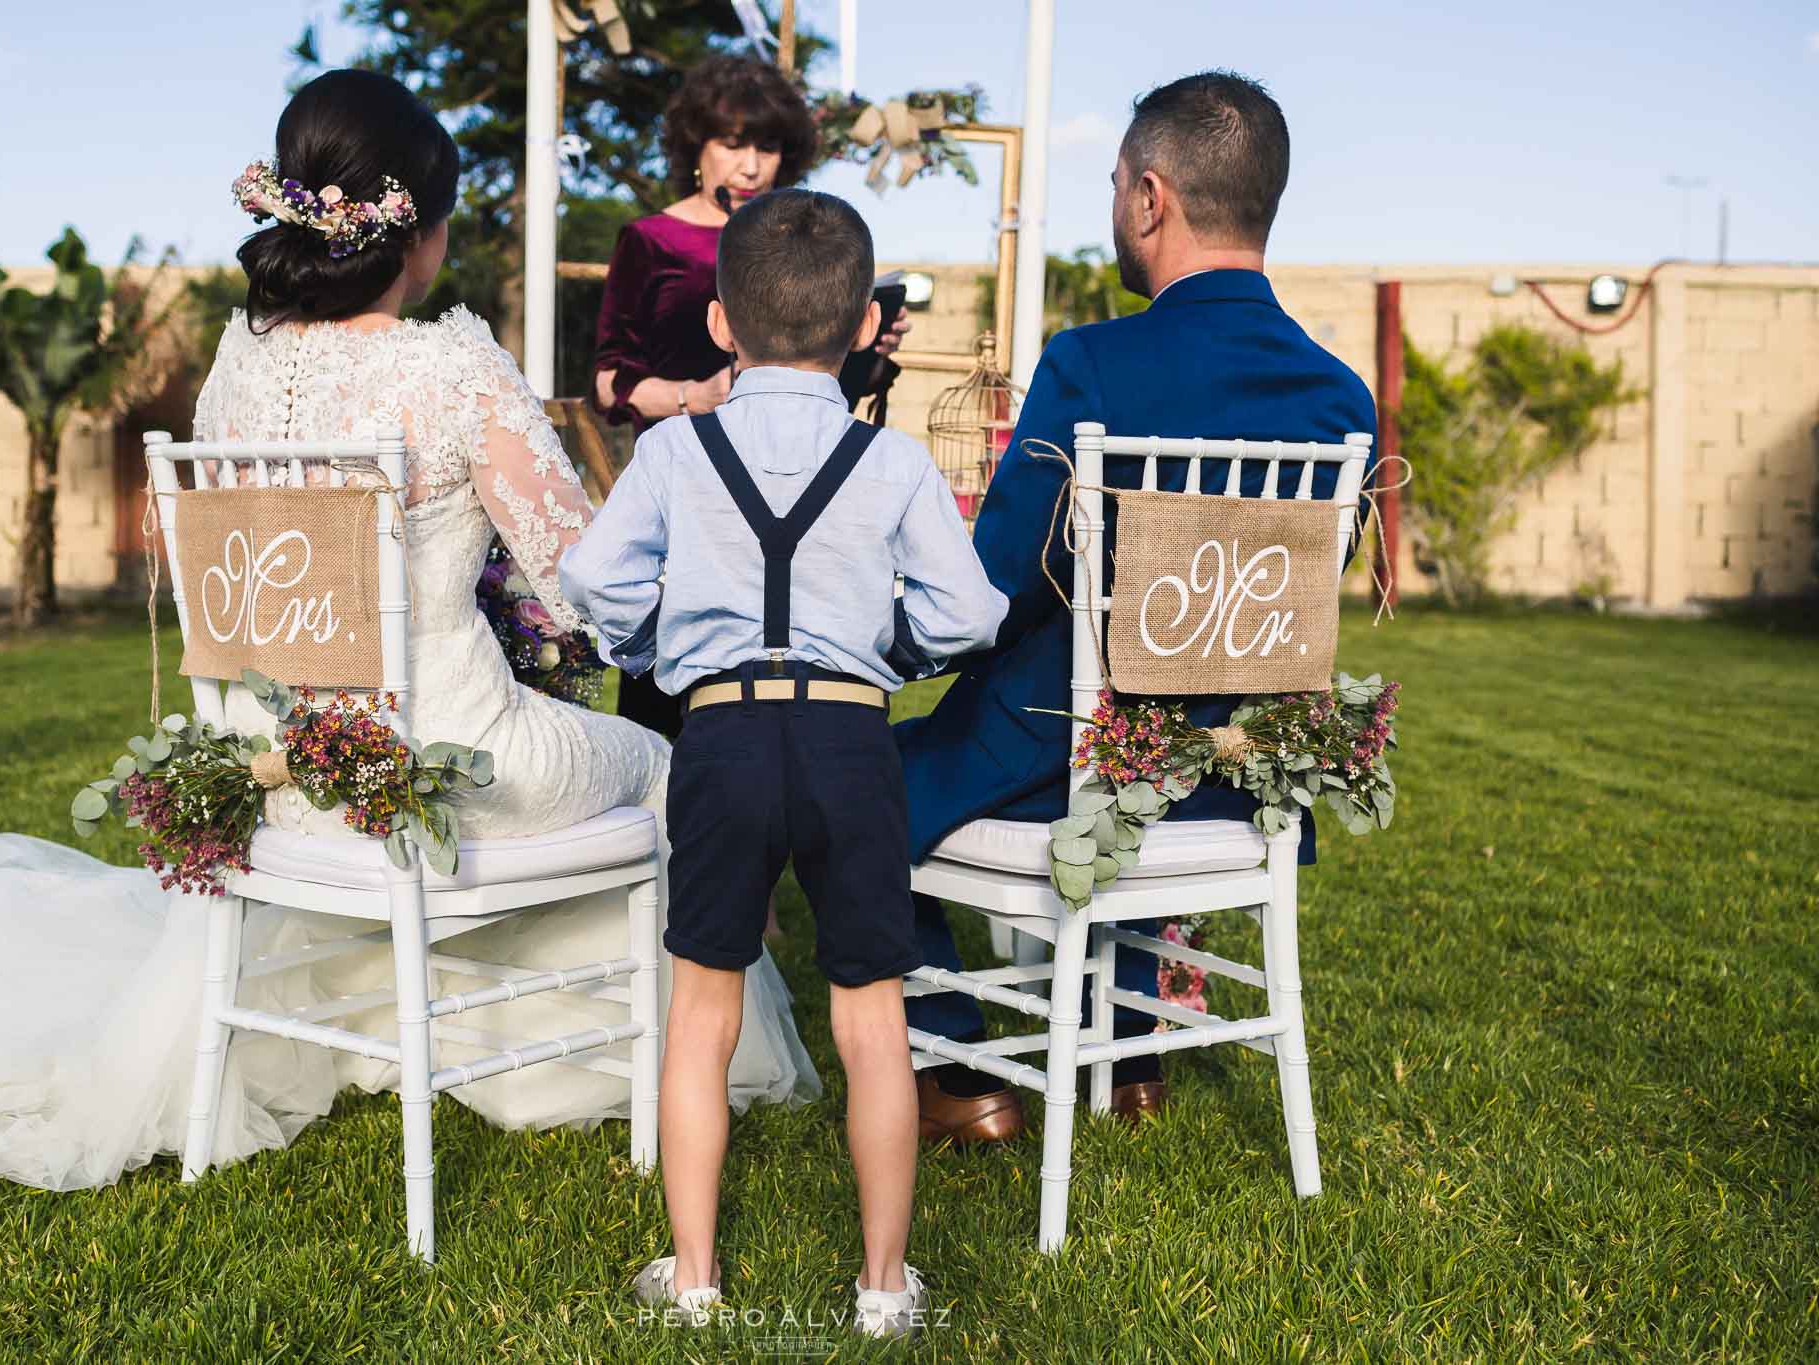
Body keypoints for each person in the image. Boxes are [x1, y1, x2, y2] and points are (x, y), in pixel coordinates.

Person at [0, 68, 819, 1195]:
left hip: (283, 771)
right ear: (413, 229)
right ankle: (643, 1057)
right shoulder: (450, 363)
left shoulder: (239, 365)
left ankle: (461, 1015)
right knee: (670, 769)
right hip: (441, 763)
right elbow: (591, 589)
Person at [898, 72, 1378, 1144]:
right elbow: (1269, 609)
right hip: (1235, 776)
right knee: (1157, 710)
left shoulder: (1091, 365)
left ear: (1150, 197)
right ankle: (1130, 1056)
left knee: (855, 782)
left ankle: (949, 1068)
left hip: (1074, 755)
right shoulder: (1341, 398)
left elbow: (996, 585)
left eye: (1116, 184)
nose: (1116, 205)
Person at [561, 189, 1005, 1338]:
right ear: (864, 326)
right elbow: (965, 613)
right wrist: (884, 656)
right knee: (870, 1014)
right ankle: (881, 1289)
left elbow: (592, 582)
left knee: (701, 1010)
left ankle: (696, 1279)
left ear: (719, 323)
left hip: (717, 735)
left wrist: (664, 653)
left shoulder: (672, 448)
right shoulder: (892, 463)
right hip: (852, 737)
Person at [591, 53, 910, 744]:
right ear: (695, 149)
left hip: (797, 482)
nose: (751, 165)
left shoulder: (804, 243)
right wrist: (692, 396)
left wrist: (866, 352)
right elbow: (610, 379)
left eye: (766, 147)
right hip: (691, 486)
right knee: (661, 742)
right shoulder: (650, 240)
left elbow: (831, 392)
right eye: (733, 144)